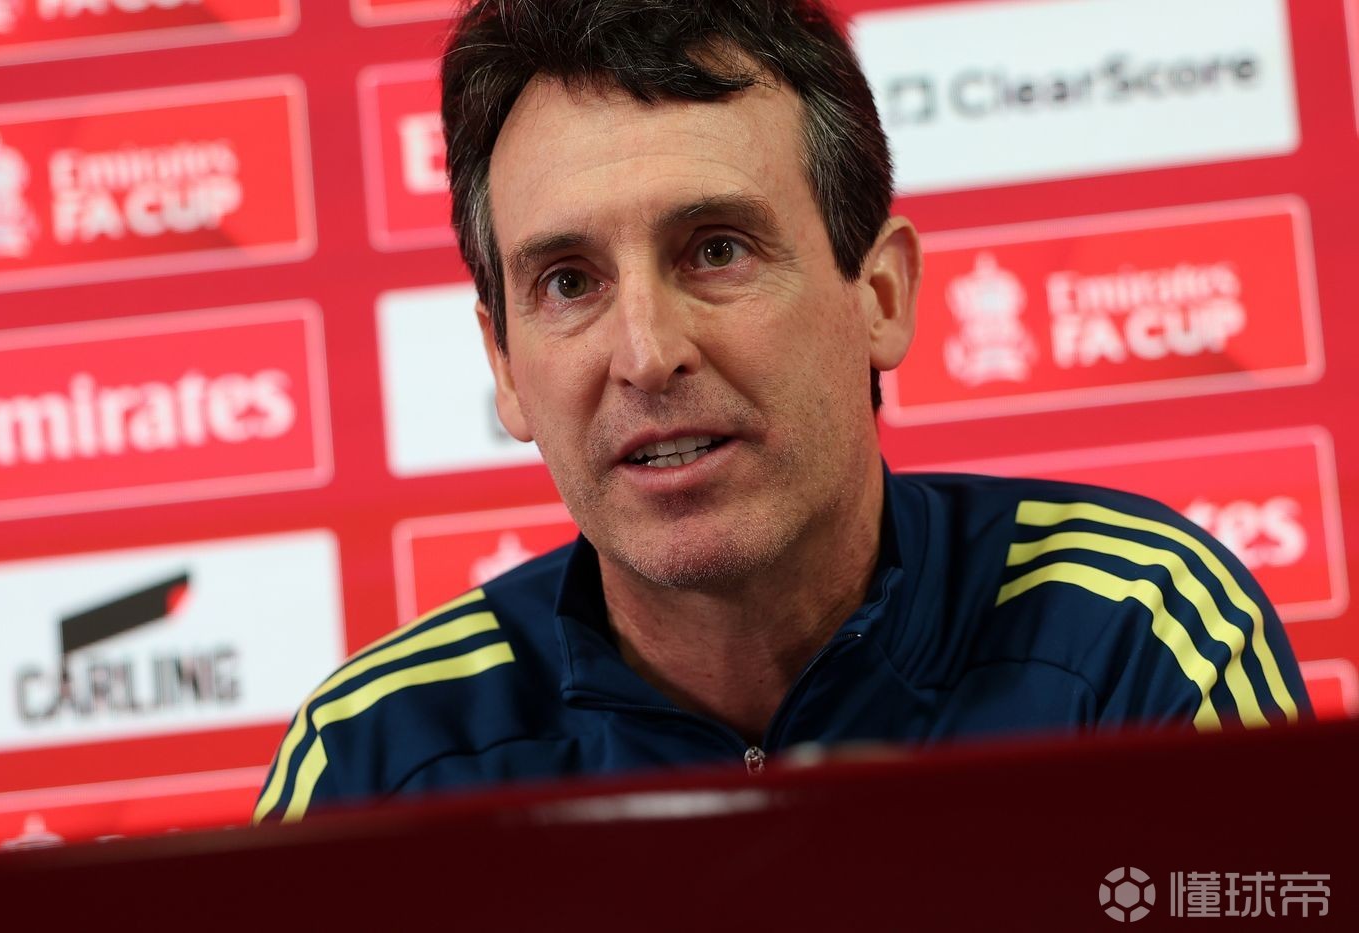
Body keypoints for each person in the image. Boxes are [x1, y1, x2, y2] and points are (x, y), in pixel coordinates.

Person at [253, 0, 1310, 824]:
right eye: (568, 282)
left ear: (879, 296)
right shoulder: (373, 761)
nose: (646, 354)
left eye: (716, 251)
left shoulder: (1135, 630)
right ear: (506, 365)